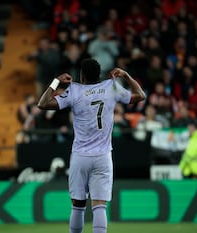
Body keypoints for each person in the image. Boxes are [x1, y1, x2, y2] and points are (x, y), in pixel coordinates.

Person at [37, 58, 145, 233]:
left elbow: (42, 104)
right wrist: (125, 74)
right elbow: (140, 95)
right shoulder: (111, 86)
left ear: (82, 75)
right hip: (103, 156)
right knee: (100, 206)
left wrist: (56, 81)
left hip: (80, 156)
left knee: (78, 205)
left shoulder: (74, 90)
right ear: (99, 74)